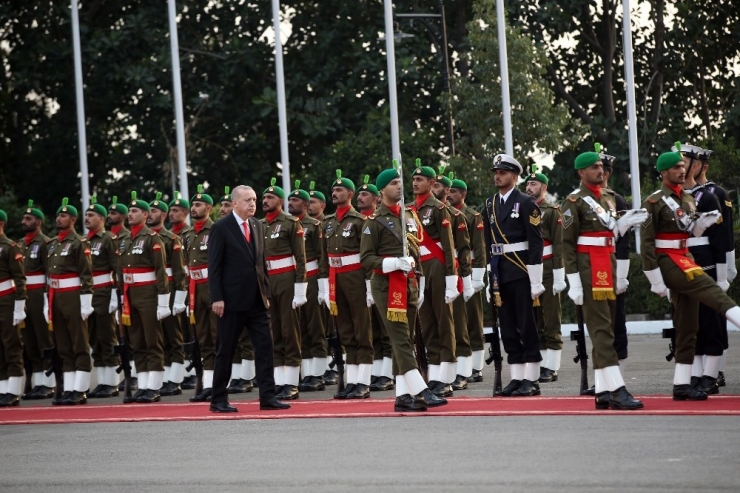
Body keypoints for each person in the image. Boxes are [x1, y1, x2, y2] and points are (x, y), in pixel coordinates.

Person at [641, 146, 740, 400]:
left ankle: (682, 385)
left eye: (683, 166)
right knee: (710, 292)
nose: (681, 170)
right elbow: (647, 244)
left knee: (688, 325)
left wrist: (700, 226)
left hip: (686, 258)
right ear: (664, 172)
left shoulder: (688, 199)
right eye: (676, 167)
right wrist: (654, 279)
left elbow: (691, 233)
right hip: (668, 261)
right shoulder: (653, 201)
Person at [562, 151, 646, 409]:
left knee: (607, 328)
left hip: (606, 266)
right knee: (600, 330)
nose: (601, 170)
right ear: (581, 173)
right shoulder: (573, 202)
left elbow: (610, 234)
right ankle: (617, 389)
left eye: (601, 166)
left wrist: (623, 225)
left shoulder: (609, 198)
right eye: (594, 167)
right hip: (588, 270)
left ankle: (602, 390)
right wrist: (574, 283)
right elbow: (566, 246)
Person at [360, 167, 448, 411]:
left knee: (407, 339)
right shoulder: (374, 222)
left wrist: (418, 281)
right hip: (387, 284)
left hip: (408, 281)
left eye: (400, 182)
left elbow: (416, 251)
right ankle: (421, 389)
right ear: (381, 191)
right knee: (399, 339)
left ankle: (403, 395)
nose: (399, 186)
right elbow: (366, 258)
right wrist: (391, 263)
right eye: (393, 183)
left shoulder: (409, 215)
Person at [208, 185, 290, 412]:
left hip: (257, 300)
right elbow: (213, 267)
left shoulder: (256, 225)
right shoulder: (221, 228)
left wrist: (266, 293)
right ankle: (218, 400)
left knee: (265, 348)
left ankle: (268, 397)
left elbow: (260, 263)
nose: (253, 204)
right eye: (247, 200)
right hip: (231, 302)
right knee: (226, 350)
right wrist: (217, 298)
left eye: (254, 199)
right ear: (234, 203)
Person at [482, 155, 545, 397]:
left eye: (503, 172)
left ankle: (532, 378)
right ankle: (517, 378)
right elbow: (488, 243)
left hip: (521, 270)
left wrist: (536, 279)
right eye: (496, 171)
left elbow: (536, 243)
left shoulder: (526, 203)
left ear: (515, 176)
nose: (498, 175)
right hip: (500, 271)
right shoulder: (489, 205)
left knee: (527, 325)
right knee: (507, 327)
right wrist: (490, 276)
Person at [318, 171, 373, 399]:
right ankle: (352, 380)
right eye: (333, 189)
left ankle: (364, 381)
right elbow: (323, 256)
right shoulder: (328, 223)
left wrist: (370, 286)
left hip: (355, 276)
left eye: (339, 190)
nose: (334, 192)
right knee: (346, 331)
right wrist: (323, 285)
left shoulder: (360, 221)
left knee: (362, 329)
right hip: (335, 277)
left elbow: (367, 255)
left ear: (350, 194)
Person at [410, 163, 459, 396]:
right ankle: (434, 374)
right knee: (427, 324)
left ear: (431, 184)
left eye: (420, 179)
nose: (415, 183)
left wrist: (451, 277)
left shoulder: (439, 208)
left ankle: (447, 377)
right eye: (414, 179)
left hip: (438, 267)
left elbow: (449, 247)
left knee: (444, 322)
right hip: (419, 269)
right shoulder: (409, 210)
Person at [117, 192, 170, 403]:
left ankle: (154, 386)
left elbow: (161, 271)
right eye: (129, 211)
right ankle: (143, 384)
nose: (130, 214)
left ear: (146, 215)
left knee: (152, 341)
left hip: (149, 295)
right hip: (131, 295)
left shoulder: (152, 238)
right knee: (136, 342)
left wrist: (163, 301)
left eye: (135, 211)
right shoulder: (123, 240)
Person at [261, 178, 307, 400]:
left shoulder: (290, 223)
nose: (265, 200)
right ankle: (279, 381)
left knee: (290, 331)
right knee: (274, 331)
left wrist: (300, 289)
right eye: (263, 197)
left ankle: (291, 382)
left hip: (287, 279)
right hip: (268, 281)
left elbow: (301, 258)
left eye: (270, 197)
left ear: (280, 201)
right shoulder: (258, 225)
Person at [693, 147, 735, 386]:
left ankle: (716, 371)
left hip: (713, 262)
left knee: (715, 318)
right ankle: (700, 372)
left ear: (704, 165)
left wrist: (727, 270)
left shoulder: (716, 193)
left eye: (692, 162)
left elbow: (725, 234)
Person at [46, 198, 94, 405]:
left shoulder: (79, 243)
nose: (59, 218)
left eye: (63, 215)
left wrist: (86, 302)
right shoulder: (53, 244)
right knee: (63, 343)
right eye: (58, 215)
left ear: (73, 220)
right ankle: (69, 388)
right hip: (56, 297)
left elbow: (86, 275)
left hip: (73, 296)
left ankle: (80, 388)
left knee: (78, 342)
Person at [432, 168, 474, 390]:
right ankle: (438, 371)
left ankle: (463, 371)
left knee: (457, 324)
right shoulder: (421, 213)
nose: (435, 189)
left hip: (453, 274)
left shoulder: (458, 216)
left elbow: (464, 250)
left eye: (439, 186)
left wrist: (467, 280)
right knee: (436, 326)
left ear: (446, 191)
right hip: (433, 274)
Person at [523, 167, 567, 383]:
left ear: (544, 187)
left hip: (548, 267)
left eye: (533, 184)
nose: (529, 188)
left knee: (551, 316)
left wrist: (560, 275)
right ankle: (539, 363)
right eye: (527, 184)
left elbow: (559, 245)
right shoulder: (523, 208)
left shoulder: (551, 210)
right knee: (534, 317)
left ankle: (552, 365)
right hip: (529, 268)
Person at [147, 193, 188, 396]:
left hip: (170, 291)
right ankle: (162, 377)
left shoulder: (171, 238)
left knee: (174, 336)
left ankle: (176, 379)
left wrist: (179, 298)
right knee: (158, 337)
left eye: (154, 211)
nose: (150, 214)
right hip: (151, 292)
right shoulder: (145, 237)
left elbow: (179, 272)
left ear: (161, 215)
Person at [288, 181, 327, 393]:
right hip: (294, 279)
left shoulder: (314, 225)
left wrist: (323, 286)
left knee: (315, 326)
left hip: (312, 278)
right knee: (300, 327)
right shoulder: (287, 224)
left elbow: (322, 257)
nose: (290, 203)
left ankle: (318, 374)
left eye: (295, 200)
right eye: (289, 200)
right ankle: (307, 372)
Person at [448, 177, 488, 383]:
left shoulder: (473, 216)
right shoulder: (444, 214)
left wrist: (479, 276)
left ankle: (476, 367)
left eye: (454, 191)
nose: (449, 194)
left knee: (473, 319)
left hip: (470, 271)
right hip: (452, 271)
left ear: (463, 194)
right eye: (449, 190)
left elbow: (480, 249)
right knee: (456, 319)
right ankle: (461, 364)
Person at [357, 176, 393, 391]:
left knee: (386, 327)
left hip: (381, 277)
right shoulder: (360, 221)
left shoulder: (381, 220)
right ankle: (378, 371)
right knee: (373, 330)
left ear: (376, 199)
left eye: (365, 194)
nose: (360, 198)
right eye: (359, 194)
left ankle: (388, 372)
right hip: (360, 280)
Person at [83, 196, 121, 398]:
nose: (86, 218)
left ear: (102, 218)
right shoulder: (84, 241)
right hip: (90, 295)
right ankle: (102, 381)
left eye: (91, 215)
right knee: (94, 339)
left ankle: (112, 382)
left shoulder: (108, 239)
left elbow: (117, 269)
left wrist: (116, 296)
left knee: (107, 337)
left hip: (105, 293)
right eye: (86, 215)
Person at [184, 186, 219, 402]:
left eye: (198, 205)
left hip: (212, 287)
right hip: (196, 288)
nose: (193, 208)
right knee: (203, 338)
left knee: (217, 337)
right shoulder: (188, 235)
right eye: (192, 205)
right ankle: (208, 384)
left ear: (208, 208)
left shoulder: (216, 230)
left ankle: (220, 383)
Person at [18, 200, 54, 399]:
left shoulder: (45, 243)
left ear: (38, 222)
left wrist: (48, 298)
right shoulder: (21, 244)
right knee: (28, 340)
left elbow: (50, 273)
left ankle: (47, 383)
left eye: (28, 218)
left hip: (39, 294)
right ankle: (34, 381)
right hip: (23, 296)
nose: (24, 221)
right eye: (24, 218)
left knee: (43, 338)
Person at [168, 191, 197, 389]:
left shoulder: (188, 234)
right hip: (175, 286)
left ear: (186, 213)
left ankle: (194, 370)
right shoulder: (169, 235)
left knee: (191, 330)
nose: (172, 213)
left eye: (176, 210)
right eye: (170, 210)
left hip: (189, 286)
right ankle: (185, 369)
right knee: (179, 331)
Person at [0, 209, 27, 407]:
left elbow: (19, 278)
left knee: (11, 344)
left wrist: (19, 306)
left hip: (7, 300)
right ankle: (2, 389)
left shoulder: (10, 247)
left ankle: (14, 389)